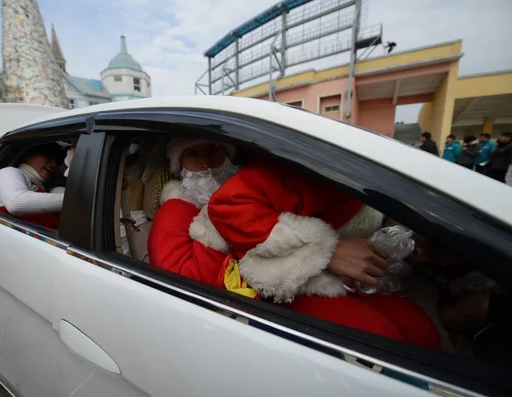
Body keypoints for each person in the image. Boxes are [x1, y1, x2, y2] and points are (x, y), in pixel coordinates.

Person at [150, 138, 440, 350]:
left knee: (418, 332)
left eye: (213, 150)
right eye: (193, 154)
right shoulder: (177, 208)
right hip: (255, 307)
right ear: (179, 165)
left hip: (316, 278)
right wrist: (213, 229)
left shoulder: (258, 184)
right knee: (383, 340)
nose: (205, 162)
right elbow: (183, 282)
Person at [0, 143, 64, 229]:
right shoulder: (8, 172)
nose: (53, 164)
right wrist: (74, 201)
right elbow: (15, 203)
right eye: (48, 156)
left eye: (56, 161)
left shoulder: (48, 191)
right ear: (27, 155)